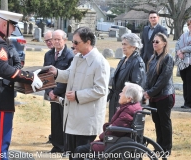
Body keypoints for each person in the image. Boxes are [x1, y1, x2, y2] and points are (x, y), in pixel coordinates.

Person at [0, 10, 43, 160]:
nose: (14, 29)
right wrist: (30, 77)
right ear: (5, 23)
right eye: (13, 25)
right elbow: (4, 70)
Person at [48, 27, 110, 160]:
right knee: (72, 155)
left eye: (76, 42)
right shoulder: (77, 58)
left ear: (88, 42)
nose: (73, 45)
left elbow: (101, 90)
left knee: (82, 156)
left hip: (87, 120)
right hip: (72, 119)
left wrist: (77, 95)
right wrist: (56, 73)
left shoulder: (100, 63)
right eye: (73, 42)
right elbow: (69, 74)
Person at [73, 82, 143, 159]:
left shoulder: (128, 110)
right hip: (117, 141)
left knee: (80, 150)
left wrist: (107, 129)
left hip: (114, 143)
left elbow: (115, 130)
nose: (120, 94)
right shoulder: (133, 107)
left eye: (122, 92)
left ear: (129, 98)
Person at [143, 32, 174, 156]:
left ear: (164, 43)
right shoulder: (152, 58)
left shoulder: (167, 58)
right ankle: (159, 147)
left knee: (164, 122)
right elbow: (148, 77)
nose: (154, 44)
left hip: (165, 96)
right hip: (154, 96)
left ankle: (166, 149)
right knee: (157, 122)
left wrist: (149, 93)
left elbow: (163, 80)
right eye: (153, 42)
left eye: (157, 42)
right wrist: (146, 91)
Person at [43, 29, 74, 153]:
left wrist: (55, 92)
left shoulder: (70, 55)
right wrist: (49, 91)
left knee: (64, 120)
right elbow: (45, 74)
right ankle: (57, 145)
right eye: (53, 39)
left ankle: (66, 147)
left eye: (58, 39)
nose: (55, 42)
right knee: (55, 119)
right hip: (52, 93)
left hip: (63, 93)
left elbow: (68, 77)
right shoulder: (48, 55)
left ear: (64, 40)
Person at [107, 33, 146, 121]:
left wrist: (125, 101)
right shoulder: (123, 60)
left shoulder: (137, 63)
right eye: (122, 44)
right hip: (116, 99)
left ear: (134, 46)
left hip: (126, 103)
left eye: (125, 44)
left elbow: (135, 87)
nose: (123, 46)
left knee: (121, 128)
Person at [175, 18, 191, 109]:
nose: (190, 26)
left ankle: (189, 103)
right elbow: (177, 43)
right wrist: (178, 51)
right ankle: (186, 102)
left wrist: (182, 50)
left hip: (190, 63)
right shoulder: (184, 35)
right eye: (188, 24)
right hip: (183, 62)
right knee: (185, 82)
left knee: (189, 82)